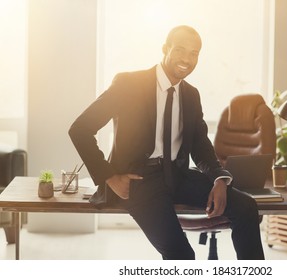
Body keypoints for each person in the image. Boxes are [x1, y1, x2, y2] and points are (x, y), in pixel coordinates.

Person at [68, 25, 264, 260]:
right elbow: (80, 129)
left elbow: (200, 145)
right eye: (180, 50)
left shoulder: (191, 95)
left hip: (178, 176)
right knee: (181, 255)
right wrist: (110, 176)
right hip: (140, 182)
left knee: (246, 206)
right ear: (165, 49)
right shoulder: (128, 84)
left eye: (194, 53)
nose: (187, 59)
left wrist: (219, 179)